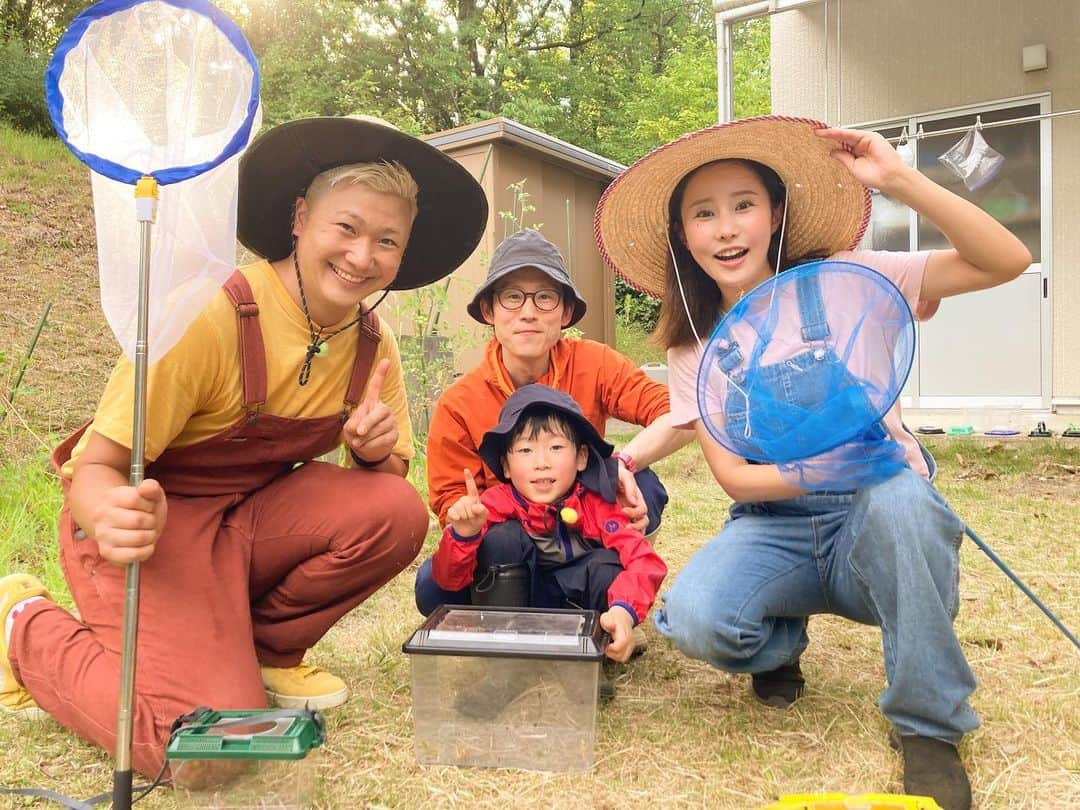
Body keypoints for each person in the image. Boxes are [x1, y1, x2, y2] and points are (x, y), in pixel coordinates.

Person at [0, 116, 487, 779]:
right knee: (205, 750)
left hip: (241, 529)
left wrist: (373, 452)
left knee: (397, 509)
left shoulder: (375, 346)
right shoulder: (208, 314)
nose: (362, 255)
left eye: (386, 241)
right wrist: (108, 514)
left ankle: (261, 652)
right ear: (299, 218)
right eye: (345, 228)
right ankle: (23, 625)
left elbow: (387, 484)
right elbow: (98, 467)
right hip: (153, 532)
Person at [593, 115, 1031, 809]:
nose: (727, 228)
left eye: (743, 205)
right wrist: (818, 472)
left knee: (903, 500)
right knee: (696, 617)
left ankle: (928, 728)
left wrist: (900, 181)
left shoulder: (850, 278)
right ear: (683, 236)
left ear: (775, 213)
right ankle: (780, 642)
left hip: (876, 512)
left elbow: (1004, 259)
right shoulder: (693, 350)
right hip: (776, 523)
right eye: (704, 214)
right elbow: (734, 478)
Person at [418, 229, 694, 614]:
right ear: (489, 311)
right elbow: (451, 501)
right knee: (432, 589)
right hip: (510, 531)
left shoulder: (595, 363)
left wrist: (622, 464)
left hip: (588, 520)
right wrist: (489, 512)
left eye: (545, 297)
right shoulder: (459, 402)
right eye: (512, 297)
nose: (528, 312)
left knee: (641, 484)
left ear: (565, 312)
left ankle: (610, 592)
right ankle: (530, 597)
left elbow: (681, 414)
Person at [430, 384, 667, 663]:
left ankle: (592, 650)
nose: (541, 462)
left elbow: (644, 560)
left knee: (607, 567)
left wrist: (624, 610)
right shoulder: (494, 504)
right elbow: (448, 580)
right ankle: (506, 656)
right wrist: (464, 535)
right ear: (506, 466)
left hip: (575, 609)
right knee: (500, 540)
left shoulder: (598, 502)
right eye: (526, 450)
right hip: (521, 605)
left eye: (555, 447)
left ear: (581, 457)